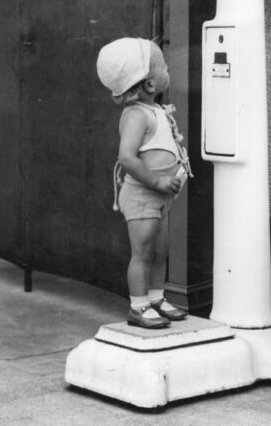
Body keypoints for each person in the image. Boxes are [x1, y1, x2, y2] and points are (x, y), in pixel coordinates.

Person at [96, 38, 191, 329]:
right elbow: (126, 157)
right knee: (143, 252)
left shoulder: (156, 110)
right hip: (142, 196)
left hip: (160, 197)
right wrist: (157, 181)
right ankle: (138, 307)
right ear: (149, 83)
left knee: (160, 250)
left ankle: (156, 298)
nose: (168, 68)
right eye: (163, 65)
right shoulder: (136, 115)